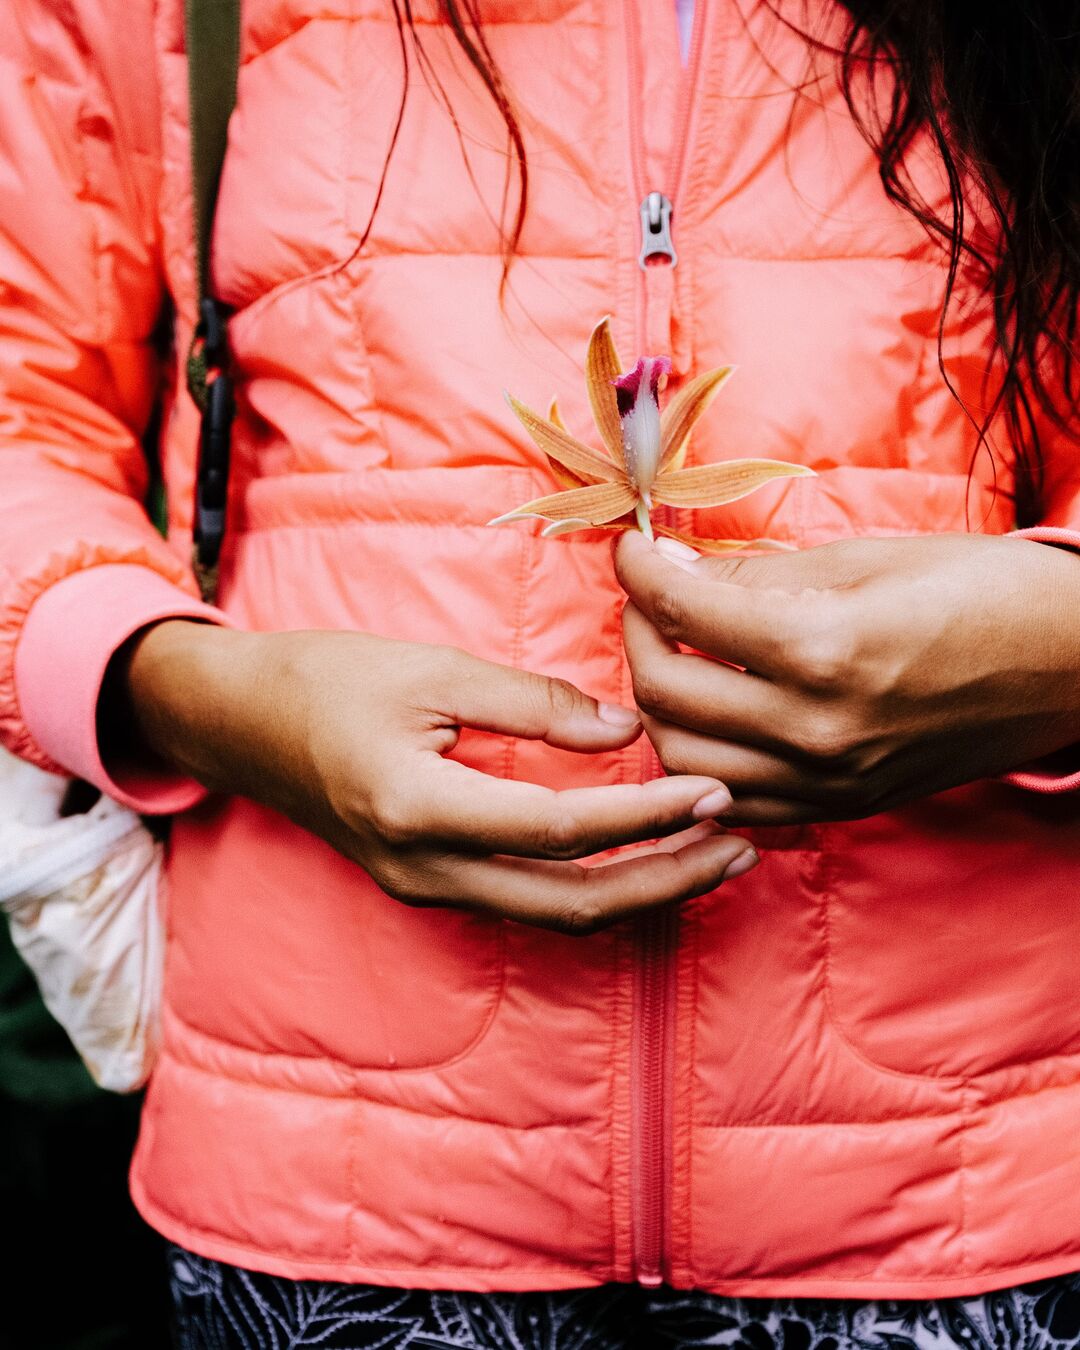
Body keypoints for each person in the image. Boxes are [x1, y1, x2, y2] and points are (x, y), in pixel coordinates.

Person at [2, 0, 1079, 1346]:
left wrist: (1058, 643)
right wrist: (193, 696)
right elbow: (22, 403)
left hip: (974, 1176)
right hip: (340, 1178)